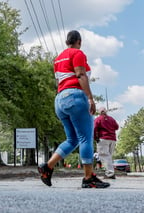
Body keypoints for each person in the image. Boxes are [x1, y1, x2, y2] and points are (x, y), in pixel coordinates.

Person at [38, 30, 110, 188]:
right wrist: (90, 98)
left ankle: (47, 167)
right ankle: (88, 178)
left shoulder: (58, 59)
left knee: (72, 140)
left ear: (66, 42)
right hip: (75, 97)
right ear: (79, 41)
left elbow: (59, 81)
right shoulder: (77, 53)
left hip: (60, 100)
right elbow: (80, 75)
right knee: (85, 138)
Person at [94, 107, 119, 179]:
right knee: (109, 156)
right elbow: (117, 127)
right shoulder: (111, 119)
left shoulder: (98, 119)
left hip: (103, 138)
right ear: (106, 111)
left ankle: (110, 174)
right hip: (112, 139)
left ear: (99, 112)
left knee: (104, 156)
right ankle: (110, 172)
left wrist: (95, 137)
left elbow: (94, 128)